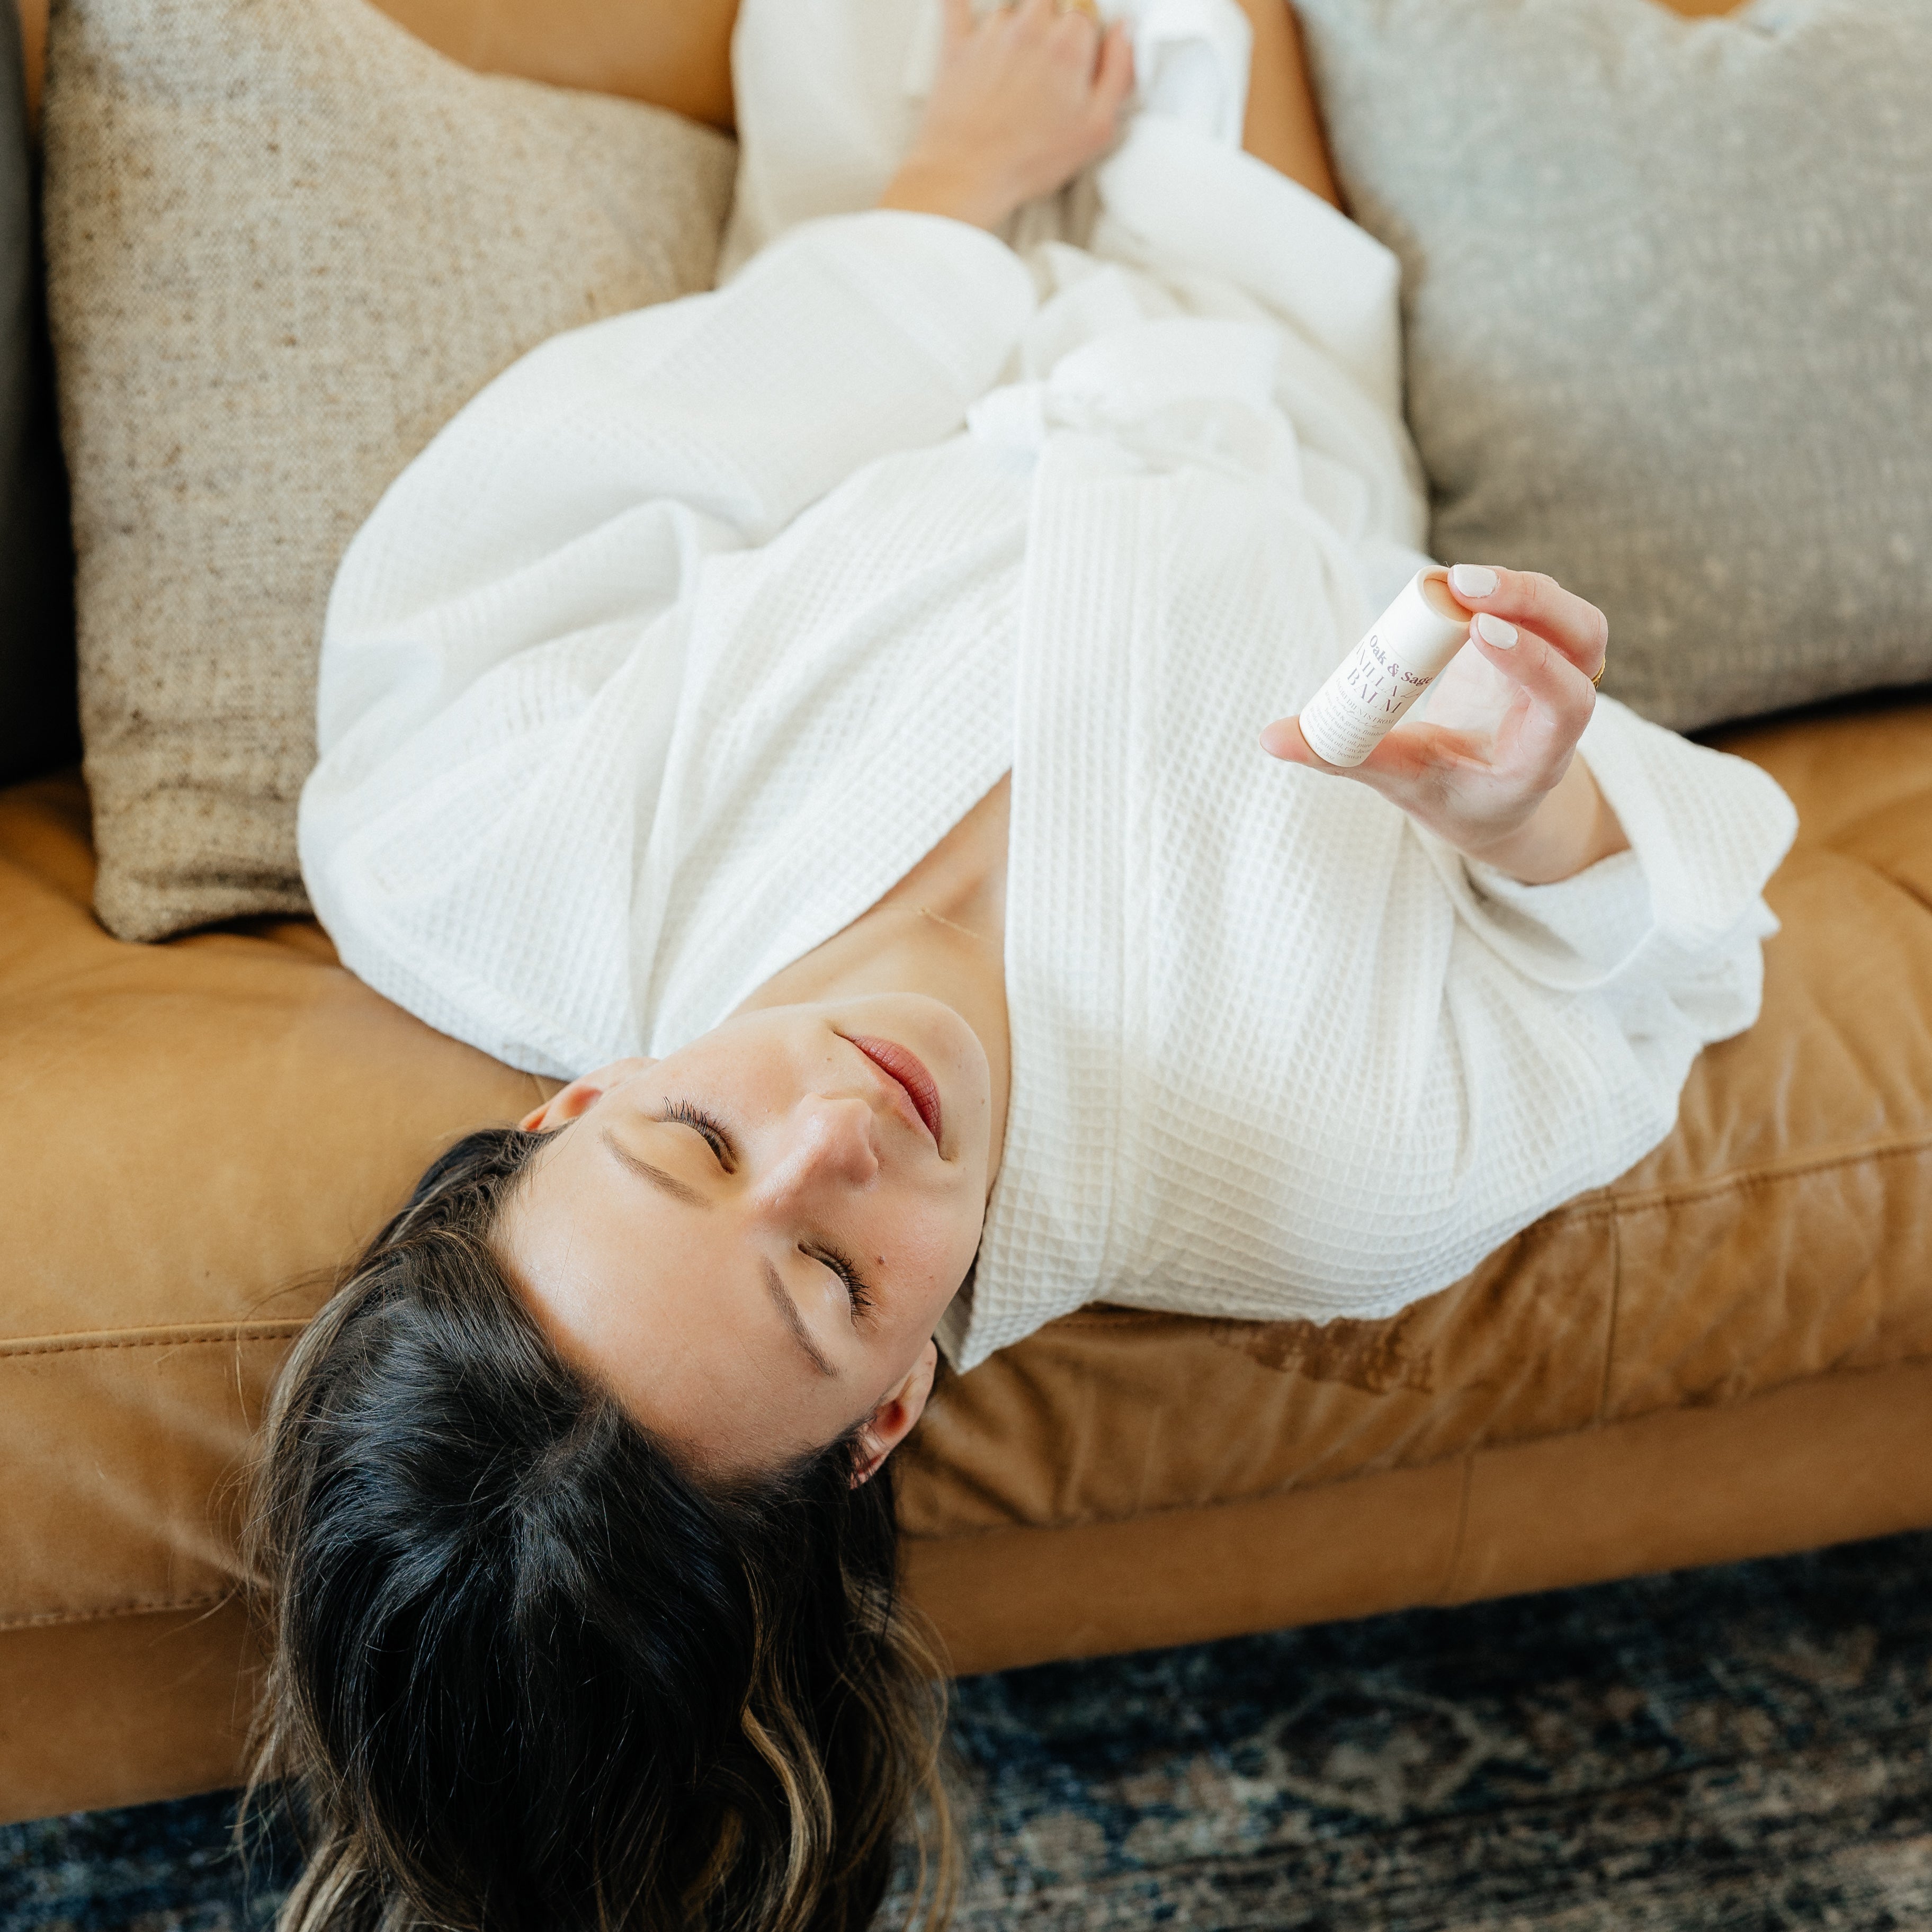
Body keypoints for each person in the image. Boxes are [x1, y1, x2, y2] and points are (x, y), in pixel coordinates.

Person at [249, 3, 1799, 1929]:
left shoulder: (469, 852)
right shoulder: (1333, 1170)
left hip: (899, 271)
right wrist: (1532, 818)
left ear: (572, 1106)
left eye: (694, 1144)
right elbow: (1662, 970)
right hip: (1263, 358)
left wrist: (948, 191)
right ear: (890, 1408)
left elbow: (561, 502)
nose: (836, 1127)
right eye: (832, 1280)